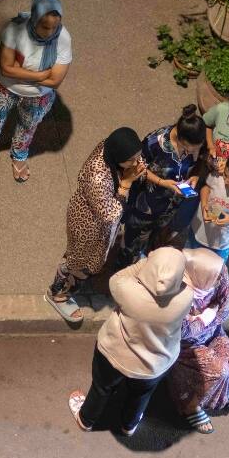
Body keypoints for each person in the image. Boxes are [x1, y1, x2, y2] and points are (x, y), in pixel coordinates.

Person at [67, 247, 194, 436]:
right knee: (140, 395)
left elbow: (116, 278)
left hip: (114, 354)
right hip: (155, 365)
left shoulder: (129, 291)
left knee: (102, 388)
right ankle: (129, 425)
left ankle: (86, 419)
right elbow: (183, 281)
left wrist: (144, 263)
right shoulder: (186, 296)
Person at [0, 0, 71, 183]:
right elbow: (6, 69)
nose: (50, 33)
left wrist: (19, 72)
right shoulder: (15, 29)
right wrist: (40, 75)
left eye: (55, 27)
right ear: (35, 19)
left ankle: (19, 154)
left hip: (38, 95)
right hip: (5, 87)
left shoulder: (63, 38)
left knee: (28, 127)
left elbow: (55, 81)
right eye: (45, 27)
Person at [45, 127, 147, 324]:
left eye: (138, 157)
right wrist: (126, 185)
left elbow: (135, 161)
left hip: (100, 223)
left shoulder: (111, 150)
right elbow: (110, 215)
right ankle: (57, 293)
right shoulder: (96, 176)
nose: (137, 163)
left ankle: (72, 284)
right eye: (131, 160)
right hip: (88, 225)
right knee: (77, 262)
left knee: (90, 260)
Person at [166, 248, 229, 434]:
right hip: (185, 346)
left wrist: (200, 320)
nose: (218, 280)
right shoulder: (177, 291)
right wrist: (208, 314)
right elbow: (184, 332)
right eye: (215, 278)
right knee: (220, 371)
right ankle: (190, 406)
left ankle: (222, 394)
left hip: (213, 333)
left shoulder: (218, 270)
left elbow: (224, 311)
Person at [118, 105, 206, 266]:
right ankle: (126, 264)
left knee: (154, 232)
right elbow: (136, 167)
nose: (191, 152)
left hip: (171, 203)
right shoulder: (155, 142)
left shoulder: (197, 139)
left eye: (195, 149)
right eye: (187, 148)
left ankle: (146, 257)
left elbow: (200, 161)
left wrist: (195, 175)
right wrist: (162, 182)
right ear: (179, 137)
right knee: (134, 238)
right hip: (146, 202)